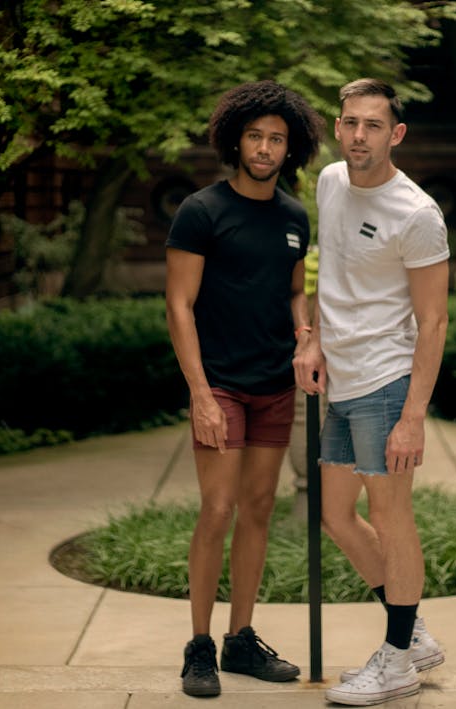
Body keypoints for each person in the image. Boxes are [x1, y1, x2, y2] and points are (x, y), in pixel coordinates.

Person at [292, 77, 450, 706]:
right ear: (338, 126)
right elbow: (329, 272)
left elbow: (434, 321)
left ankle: (397, 661)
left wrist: (413, 417)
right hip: (343, 379)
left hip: (387, 381)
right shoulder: (329, 182)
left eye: (374, 125)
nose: (360, 136)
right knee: (335, 515)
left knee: (390, 517)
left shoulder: (416, 213)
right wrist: (312, 341)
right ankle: (413, 636)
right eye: (351, 123)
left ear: (396, 134)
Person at [165, 80, 324, 698]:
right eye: (255, 136)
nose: (264, 147)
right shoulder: (201, 211)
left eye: (276, 139)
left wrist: (306, 337)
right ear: (236, 140)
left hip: (274, 384)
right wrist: (201, 394)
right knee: (218, 510)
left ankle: (239, 641)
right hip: (222, 386)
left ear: (292, 148)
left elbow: (292, 291)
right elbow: (179, 306)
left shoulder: (292, 215)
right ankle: (199, 647)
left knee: (258, 509)